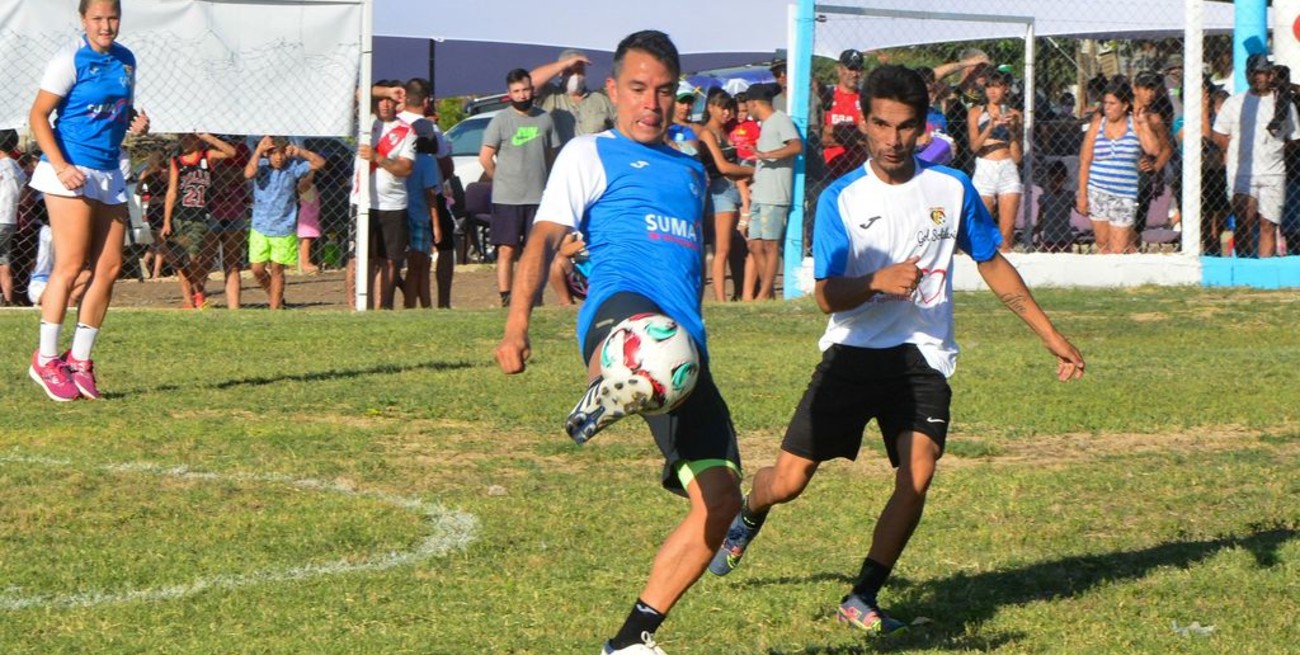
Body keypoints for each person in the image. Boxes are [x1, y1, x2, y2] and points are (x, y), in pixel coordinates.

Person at [707, 65, 1085, 636]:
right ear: (864, 123)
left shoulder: (951, 188)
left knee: (917, 474)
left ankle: (862, 594)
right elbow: (826, 296)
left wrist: (1051, 335)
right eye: (880, 125)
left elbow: (990, 260)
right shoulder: (841, 198)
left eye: (905, 127)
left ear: (922, 127)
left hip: (922, 356)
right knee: (787, 482)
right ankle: (748, 512)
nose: (892, 140)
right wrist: (876, 282)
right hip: (853, 354)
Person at [495, 30, 743, 655]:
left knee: (720, 502)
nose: (651, 104)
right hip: (620, 314)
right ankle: (610, 383)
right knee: (651, 341)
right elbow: (544, 239)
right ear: (613, 91)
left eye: (663, 92)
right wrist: (516, 325)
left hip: (684, 348)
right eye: (637, 89)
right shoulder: (588, 153)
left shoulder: (691, 168)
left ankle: (631, 641)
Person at [26, 0, 150, 401]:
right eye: (97, 18)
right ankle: (45, 359)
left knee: (110, 267)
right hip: (70, 171)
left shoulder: (126, 60)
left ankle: (79, 361)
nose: (106, 25)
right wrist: (61, 166)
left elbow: (115, 109)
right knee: (72, 264)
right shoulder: (69, 59)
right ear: (83, 20)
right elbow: (39, 116)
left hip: (109, 171)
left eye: (112, 17)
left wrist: (135, 122)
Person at [479, 68, 559, 307]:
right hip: (507, 198)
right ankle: (506, 296)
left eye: (525, 90)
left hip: (537, 197)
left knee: (535, 251)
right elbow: (485, 157)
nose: (522, 95)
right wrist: (500, 178)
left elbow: (553, 156)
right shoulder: (501, 120)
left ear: (532, 90)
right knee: (506, 249)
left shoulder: (545, 119)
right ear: (509, 93)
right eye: (516, 91)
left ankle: (535, 296)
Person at [1213, 53, 1298, 258]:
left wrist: (1275, 151)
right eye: (1255, 73)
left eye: (1263, 73)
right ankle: (1244, 264)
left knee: (1268, 224)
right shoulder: (1235, 103)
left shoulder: (1284, 105)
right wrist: (1233, 150)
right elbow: (1219, 134)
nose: (1259, 77)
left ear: (1270, 75)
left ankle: (1265, 269)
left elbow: (1294, 139)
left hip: (1273, 173)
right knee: (1244, 221)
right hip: (1242, 172)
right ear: (1247, 75)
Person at [1077, 77, 1162, 254]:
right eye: (1105, 103)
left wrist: (1144, 124)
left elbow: (1154, 150)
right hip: (1098, 190)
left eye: (1112, 103)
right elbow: (1085, 161)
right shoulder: (1097, 125)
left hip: (1124, 194)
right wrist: (1083, 195)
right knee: (1103, 245)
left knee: (1119, 248)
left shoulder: (1135, 124)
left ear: (1124, 106)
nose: (1107, 107)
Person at [352, 80, 416, 308]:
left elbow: (405, 168)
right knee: (362, 259)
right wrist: (388, 90)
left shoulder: (406, 130)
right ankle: (361, 306)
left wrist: (378, 158)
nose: (386, 104)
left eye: (391, 100)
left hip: (393, 204)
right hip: (363, 202)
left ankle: (384, 306)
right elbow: (358, 92)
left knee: (390, 260)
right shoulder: (367, 123)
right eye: (382, 99)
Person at [244, 136, 325, 309]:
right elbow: (248, 174)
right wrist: (258, 151)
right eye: (274, 153)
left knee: (277, 270)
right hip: (260, 226)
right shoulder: (261, 167)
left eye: (281, 153)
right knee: (257, 269)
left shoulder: (293, 168)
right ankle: (276, 297)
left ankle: (275, 308)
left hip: (283, 227)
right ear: (267, 154)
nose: (278, 157)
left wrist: (300, 152)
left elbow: (319, 163)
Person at [742, 82, 803, 301]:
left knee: (770, 244)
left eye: (747, 104)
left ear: (754, 103)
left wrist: (766, 155)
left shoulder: (780, 120)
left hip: (775, 194)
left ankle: (763, 294)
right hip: (760, 193)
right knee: (755, 244)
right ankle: (767, 293)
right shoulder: (766, 125)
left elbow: (796, 147)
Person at [161, 132, 236, 308]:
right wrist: (166, 220)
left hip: (200, 216)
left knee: (193, 258)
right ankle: (189, 300)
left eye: (189, 137)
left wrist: (207, 137)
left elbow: (231, 153)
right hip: (180, 216)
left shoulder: (206, 156)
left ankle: (198, 290)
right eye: (182, 137)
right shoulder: (177, 161)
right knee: (180, 260)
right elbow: (172, 191)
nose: (185, 141)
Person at [696, 91, 753, 303]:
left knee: (740, 245)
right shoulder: (707, 134)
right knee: (722, 248)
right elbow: (723, 166)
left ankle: (741, 292)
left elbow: (735, 167)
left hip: (735, 188)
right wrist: (754, 172)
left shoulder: (728, 132)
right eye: (722, 107)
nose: (726, 112)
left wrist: (745, 194)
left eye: (729, 108)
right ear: (711, 107)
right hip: (719, 191)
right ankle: (720, 299)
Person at [397, 77, 449, 309]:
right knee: (421, 265)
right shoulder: (427, 161)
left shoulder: (395, 125)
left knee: (403, 264)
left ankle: (408, 303)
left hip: (399, 208)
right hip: (422, 217)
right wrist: (436, 224)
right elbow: (432, 193)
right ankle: (427, 304)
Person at [968, 70, 1023, 252]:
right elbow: (974, 147)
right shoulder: (976, 112)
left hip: (1007, 168)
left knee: (1006, 232)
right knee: (982, 225)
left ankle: (1006, 266)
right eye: (989, 87)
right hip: (985, 167)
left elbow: (1017, 157)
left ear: (1005, 89)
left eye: (997, 87)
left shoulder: (1015, 114)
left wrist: (1013, 130)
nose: (992, 91)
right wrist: (990, 126)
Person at [529, 48, 616, 145]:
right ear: (560, 72)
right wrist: (566, 63)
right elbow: (528, 83)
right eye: (569, 71)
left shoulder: (600, 100)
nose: (575, 75)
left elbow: (620, 130)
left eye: (579, 70)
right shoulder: (549, 94)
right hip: (558, 158)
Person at [1131, 71, 1175, 249]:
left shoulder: (1155, 118)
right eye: (1145, 88)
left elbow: (1166, 149)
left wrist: (1154, 168)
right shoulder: (1122, 114)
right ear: (1135, 89)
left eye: (1153, 89)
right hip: (1119, 177)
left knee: (1136, 225)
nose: (1150, 93)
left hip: (1142, 179)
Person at [823, 49, 867, 180]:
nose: (855, 74)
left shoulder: (865, 99)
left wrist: (836, 133)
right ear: (839, 69)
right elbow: (823, 138)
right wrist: (856, 136)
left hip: (858, 171)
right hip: (830, 169)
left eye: (858, 69)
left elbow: (868, 136)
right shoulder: (827, 96)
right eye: (851, 68)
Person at [0, 129, 27, 306]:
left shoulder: (2, 165)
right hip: (10, 218)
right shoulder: (17, 167)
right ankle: (7, 300)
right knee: (4, 262)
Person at [1036, 159, 1075, 253]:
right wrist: (1038, 230)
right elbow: (1040, 215)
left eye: (1059, 180)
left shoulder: (1068, 196)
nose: (1056, 183)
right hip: (1048, 237)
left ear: (1064, 180)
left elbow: (1079, 209)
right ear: (1049, 178)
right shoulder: (1045, 196)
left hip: (1065, 236)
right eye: (1053, 179)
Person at [296, 170, 322, 274]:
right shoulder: (304, 185)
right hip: (307, 219)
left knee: (308, 240)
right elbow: (304, 183)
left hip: (312, 218)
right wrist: (312, 171)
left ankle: (305, 262)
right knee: (306, 240)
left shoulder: (312, 186)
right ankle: (304, 262)